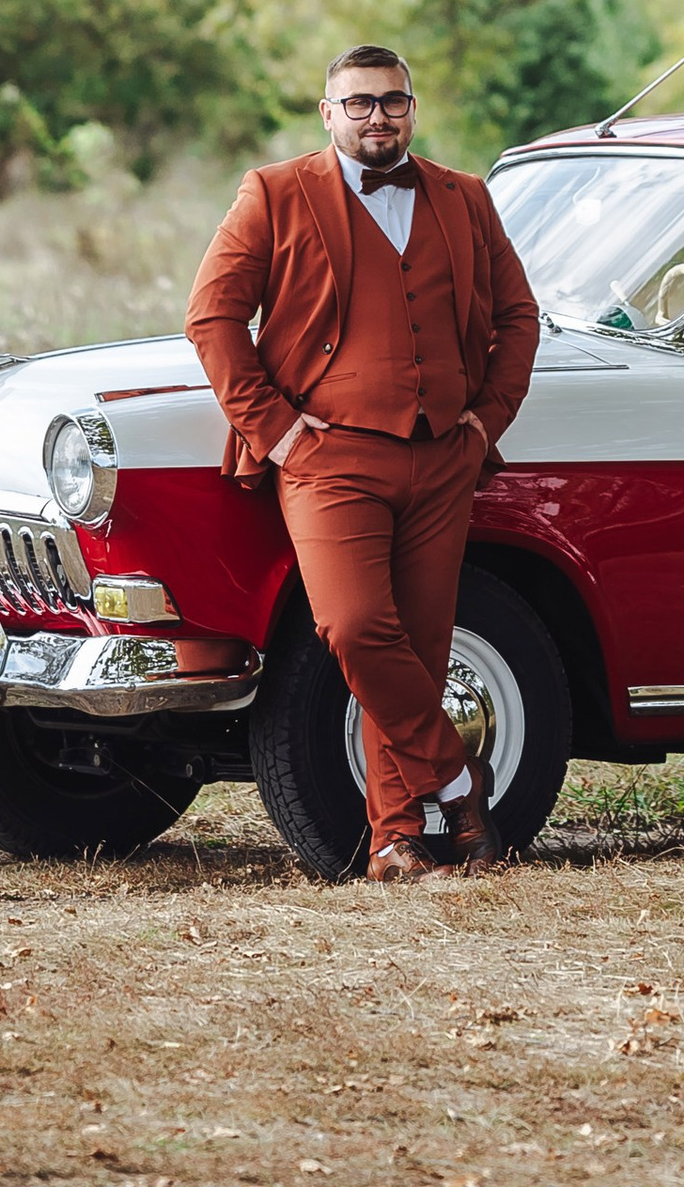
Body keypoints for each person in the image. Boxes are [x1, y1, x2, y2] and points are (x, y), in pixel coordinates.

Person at [186, 44, 541, 881]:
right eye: (359, 103)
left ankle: (397, 839)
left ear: (412, 108)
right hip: (327, 457)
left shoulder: (466, 197)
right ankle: (458, 780)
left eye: (392, 101)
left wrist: (485, 425)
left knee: (417, 650)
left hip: (444, 454)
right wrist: (274, 430)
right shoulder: (274, 192)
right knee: (351, 627)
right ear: (327, 112)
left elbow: (519, 318)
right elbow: (213, 316)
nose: (377, 116)